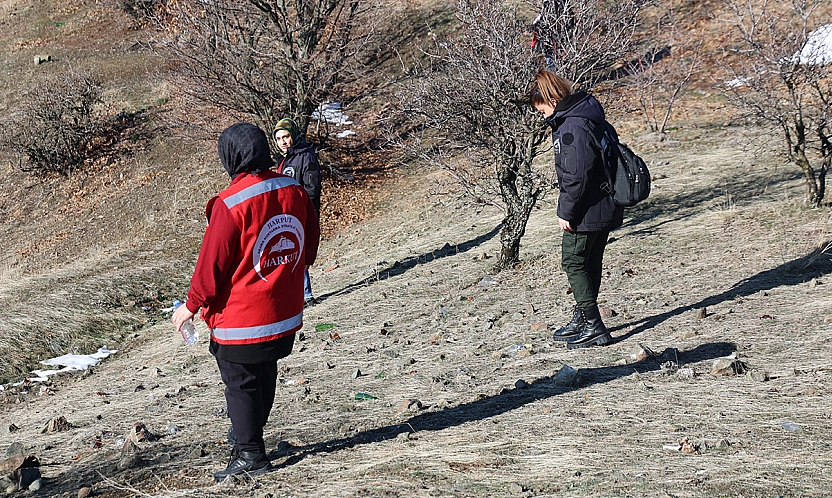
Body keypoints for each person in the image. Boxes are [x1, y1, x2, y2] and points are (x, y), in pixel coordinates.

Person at [172, 122, 320, 482]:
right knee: (265, 371)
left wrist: (190, 306)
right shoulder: (293, 188)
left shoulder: (231, 203)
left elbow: (212, 266)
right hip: (284, 312)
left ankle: (251, 454)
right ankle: (247, 432)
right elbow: (309, 247)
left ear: (231, 157)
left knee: (240, 382)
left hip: (242, 319)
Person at [529, 69, 623, 349]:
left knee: (573, 261)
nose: (543, 116)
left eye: (542, 110)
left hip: (587, 207)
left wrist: (566, 211)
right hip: (605, 202)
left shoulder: (572, 126)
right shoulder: (589, 116)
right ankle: (583, 318)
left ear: (552, 101)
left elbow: (576, 175)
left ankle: (593, 326)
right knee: (590, 261)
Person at [272, 118, 322, 305]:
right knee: (288, 252)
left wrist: (297, 206)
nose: (283, 142)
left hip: (302, 213)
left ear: (293, 135)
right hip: (287, 214)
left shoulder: (305, 156)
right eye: (278, 139)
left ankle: (306, 295)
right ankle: (294, 295)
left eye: (286, 137)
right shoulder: (284, 159)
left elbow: (312, 189)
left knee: (298, 252)